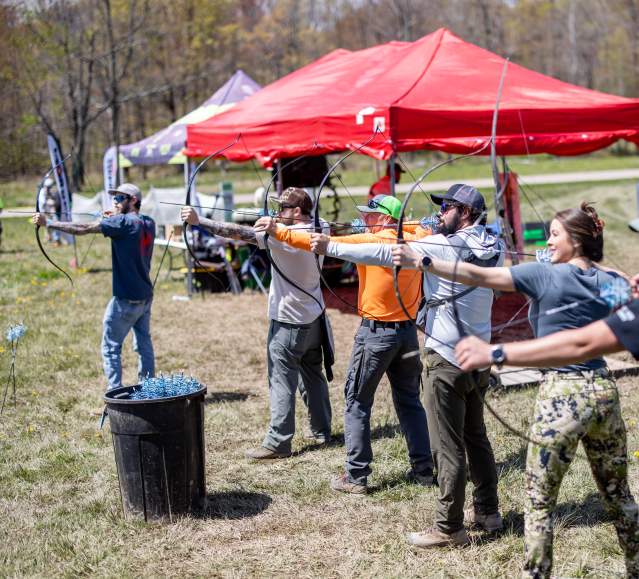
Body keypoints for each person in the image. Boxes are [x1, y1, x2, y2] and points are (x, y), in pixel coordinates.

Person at [393, 202, 639, 576]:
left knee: (539, 503)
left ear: (576, 240)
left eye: (556, 234)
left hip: (562, 395)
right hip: (604, 392)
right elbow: (620, 290)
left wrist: (423, 261)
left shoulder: (544, 276)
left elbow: (478, 275)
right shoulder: (609, 282)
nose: (548, 240)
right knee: (619, 496)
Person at [312, 184, 504, 546]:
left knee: (448, 445)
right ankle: (488, 511)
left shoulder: (440, 245)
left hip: (447, 359)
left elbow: (386, 252)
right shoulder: (491, 245)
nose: (440, 212)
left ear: (463, 212)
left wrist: (328, 246)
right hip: (478, 356)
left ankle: (449, 527)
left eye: (446, 206)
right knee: (476, 436)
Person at [255, 193, 434, 494]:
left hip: (377, 335)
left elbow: (314, 243)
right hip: (406, 334)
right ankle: (424, 469)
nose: (364, 220)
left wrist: (277, 230)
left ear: (388, 219)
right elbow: (422, 229)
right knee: (410, 401)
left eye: (371, 216)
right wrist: (413, 225)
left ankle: (356, 476)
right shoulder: (417, 239)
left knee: (356, 401)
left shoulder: (373, 244)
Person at [181, 187, 333, 460]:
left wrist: (198, 221)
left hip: (288, 322)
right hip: (315, 319)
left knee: (281, 380)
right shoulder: (322, 228)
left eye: (282, 208)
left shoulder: (283, 238)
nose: (276, 213)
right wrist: (276, 224)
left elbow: (237, 233)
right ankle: (322, 430)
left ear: (297, 211)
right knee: (312, 375)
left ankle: (278, 442)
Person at [33, 183, 156, 390]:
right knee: (143, 344)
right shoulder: (148, 222)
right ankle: (149, 388)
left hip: (126, 299)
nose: (114, 202)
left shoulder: (122, 222)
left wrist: (49, 223)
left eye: (119, 198)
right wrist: (112, 218)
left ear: (133, 200)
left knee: (110, 346)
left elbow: (83, 229)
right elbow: (128, 225)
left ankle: (115, 392)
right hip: (145, 295)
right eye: (113, 198)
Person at [38, 177, 62, 244]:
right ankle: (49, 238)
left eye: (50, 187)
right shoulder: (42, 192)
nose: (49, 189)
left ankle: (57, 240)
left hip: (51, 212)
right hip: (44, 212)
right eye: (48, 187)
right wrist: (51, 202)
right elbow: (45, 202)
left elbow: (55, 201)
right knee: (47, 226)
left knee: (54, 224)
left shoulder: (52, 191)